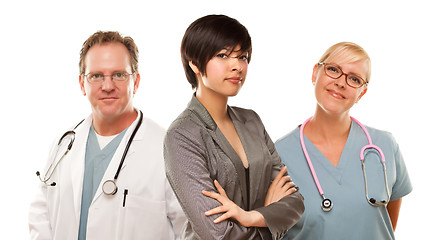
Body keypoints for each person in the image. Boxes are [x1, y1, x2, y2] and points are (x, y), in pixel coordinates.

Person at [29, 31, 185, 240]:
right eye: (96, 76)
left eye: (119, 75)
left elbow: (188, 230)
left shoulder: (168, 150)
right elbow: (41, 215)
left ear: (136, 82)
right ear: (82, 84)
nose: (108, 86)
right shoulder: (64, 144)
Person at [163, 15, 305, 240]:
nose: (237, 66)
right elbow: (216, 233)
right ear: (194, 63)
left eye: (243, 57)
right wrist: (270, 219)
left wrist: (250, 217)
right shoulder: (182, 135)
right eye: (223, 55)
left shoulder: (252, 121)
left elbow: (295, 202)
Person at [275, 42, 412, 239]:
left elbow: (385, 224)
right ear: (315, 73)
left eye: (354, 79)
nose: (341, 82)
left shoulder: (384, 146)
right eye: (333, 70)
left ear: (361, 93)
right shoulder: (279, 155)